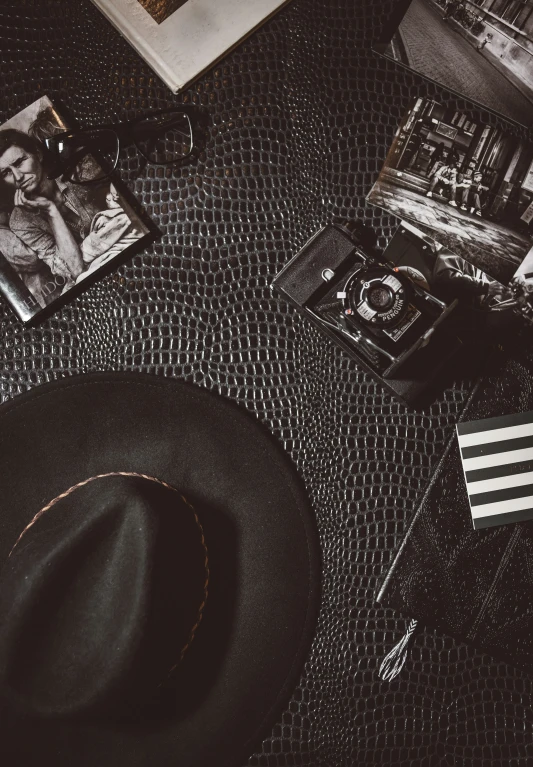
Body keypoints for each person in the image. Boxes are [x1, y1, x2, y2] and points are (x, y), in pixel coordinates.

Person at [0, 129, 99, 291]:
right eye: (6, 173)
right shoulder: (20, 222)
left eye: (19, 162)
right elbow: (75, 270)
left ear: (38, 154)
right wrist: (50, 211)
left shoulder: (75, 170)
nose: (18, 176)